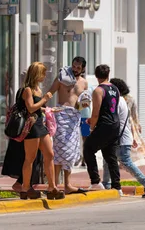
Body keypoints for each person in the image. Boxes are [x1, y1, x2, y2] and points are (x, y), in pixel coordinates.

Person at [103, 78, 145, 198]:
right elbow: (127, 121)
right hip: (123, 136)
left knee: (125, 162)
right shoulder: (121, 100)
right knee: (108, 160)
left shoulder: (118, 101)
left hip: (120, 137)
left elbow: (121, 120)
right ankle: (106, 184)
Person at [19, 62, 64, 200]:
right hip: (31, 127)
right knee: (30, 158)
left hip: (40, 124)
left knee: (49, 154)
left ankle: (52, 187)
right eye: (43, 73)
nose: (45, 76)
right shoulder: (27, 90)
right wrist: (45, 99)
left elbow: (37, 108)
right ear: (36, 74)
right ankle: (25, 188)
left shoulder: (37, 89)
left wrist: (48, 109)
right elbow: (31, 108)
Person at [47, 57, 88, 194]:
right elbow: (50, 92)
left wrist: (85, 106)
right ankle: (55, 185)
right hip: (61, 115)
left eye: (78, 67)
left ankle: (68, 184)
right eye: (74, 66)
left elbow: (82, 103)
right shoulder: (62, 78)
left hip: (74, 117)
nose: (75, 69)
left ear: (82, 69)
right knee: (59, 150)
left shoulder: (84, 83)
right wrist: (41, 104)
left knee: (70, 152)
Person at [83, 64, 122, 194]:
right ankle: (117, 186)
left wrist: (92, 127)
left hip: (104, 125)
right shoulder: (115, 89)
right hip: (115, 125)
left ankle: (95, 181)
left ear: (96, 75)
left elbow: (95, 112)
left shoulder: (98, 90)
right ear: (108, 74)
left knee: (88, 148)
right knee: (110, 156)